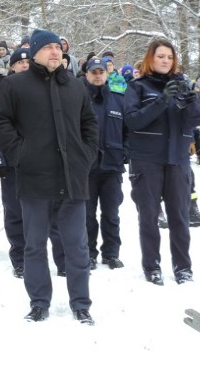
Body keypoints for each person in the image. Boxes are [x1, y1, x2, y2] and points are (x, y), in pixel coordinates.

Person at [0, 29, 99, 324]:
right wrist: (19, 153)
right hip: (34, 179)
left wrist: (85, 155)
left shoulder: (76, 86)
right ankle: (39, 302)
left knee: (77, 245)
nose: (55, 52)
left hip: (72, 177)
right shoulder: (14, 85)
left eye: (57, 48)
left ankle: (81, 303)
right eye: (48, 47)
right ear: (35, 52)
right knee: (35, 245)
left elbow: (89, 124)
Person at [123, 38, 200, 287]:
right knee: (149, 217)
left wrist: (191, 104)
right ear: (150, 58)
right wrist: (162, 100)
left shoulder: (184, 86)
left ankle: (183, 267)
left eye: (169, 57)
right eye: (160, 56)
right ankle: (152, 266)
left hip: (177, 161)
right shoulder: (138, 87)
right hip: (146, 161)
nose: (165, 61)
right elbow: (133, 121)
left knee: (179, 217)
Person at [0, 47, 30, 278]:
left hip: (39, 163)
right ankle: (20, 258)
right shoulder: (5, 90)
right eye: (19, 63)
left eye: (28, 62)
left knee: (42, 212)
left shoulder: (42, 87)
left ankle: (40, 255)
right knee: (14, 211)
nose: (24, 65)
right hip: (12, 163)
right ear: (12, 66)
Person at [76, 58, 126, 270]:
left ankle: (111, 254)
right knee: (87, 215)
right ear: (86, 74)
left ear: (107, 74)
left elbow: (128, 130)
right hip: (86, 168)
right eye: (93, 72)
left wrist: (126, 152)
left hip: (112, 166)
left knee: (111, 214)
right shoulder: (77, 99)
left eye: (101, 72)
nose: (97, 75)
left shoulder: (118, 99)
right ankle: (89, 252)